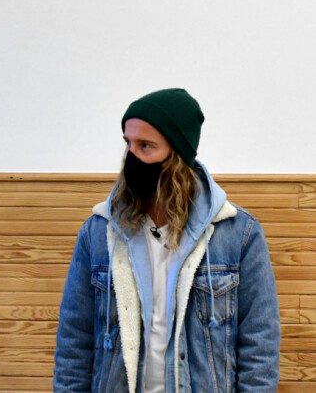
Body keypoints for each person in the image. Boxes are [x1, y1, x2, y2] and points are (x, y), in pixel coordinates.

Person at [53, 88, 280, 393]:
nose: (131, 157)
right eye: (128, 143)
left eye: (145, 146)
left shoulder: (238, 234)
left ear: (177, 155)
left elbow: (260, 347)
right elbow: (73, 344)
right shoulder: (98, 232)